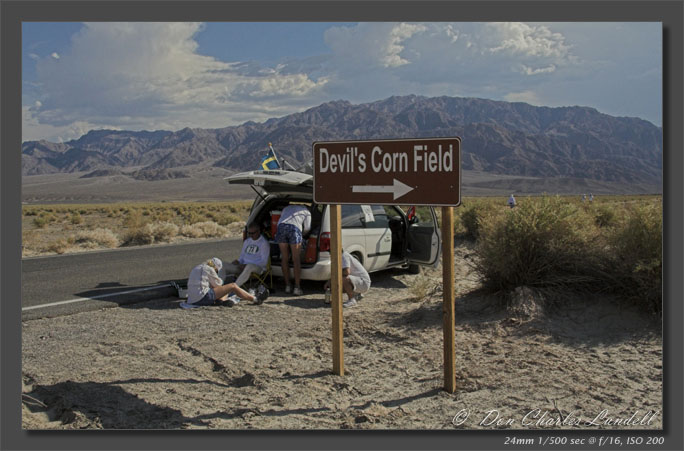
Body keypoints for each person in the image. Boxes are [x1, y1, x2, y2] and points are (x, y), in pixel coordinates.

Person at [182, 257, 268, 308]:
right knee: (233, 286)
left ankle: (222, 300)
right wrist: (220, 279)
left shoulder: (198, 267)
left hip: (192, 300)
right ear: (216, 268)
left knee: (224, 290)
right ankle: (256, 299)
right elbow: (218, 284)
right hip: (202, 297)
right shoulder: (209, 269)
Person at [275, 204, 311, 295]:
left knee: (284, 257)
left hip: (281, 227)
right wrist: (302, 235)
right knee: (296, 258)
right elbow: (307, 228)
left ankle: (287, 286)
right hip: (294, 229)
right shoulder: (307, 212)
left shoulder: (286, 208)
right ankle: (297, 287)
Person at [223, 223, 270, 288]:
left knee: (249, 266)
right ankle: (218, 288)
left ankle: (234, 288)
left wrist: (246, 265)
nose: (251, 235)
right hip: (242, 267)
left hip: (258, 268)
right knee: (222, 265)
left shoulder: (264, 243)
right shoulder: (247, 242)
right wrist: (238, 261)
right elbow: (242, 257)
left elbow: (263, 262)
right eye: (249, 233)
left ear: (259, 231)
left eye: (253, 233)